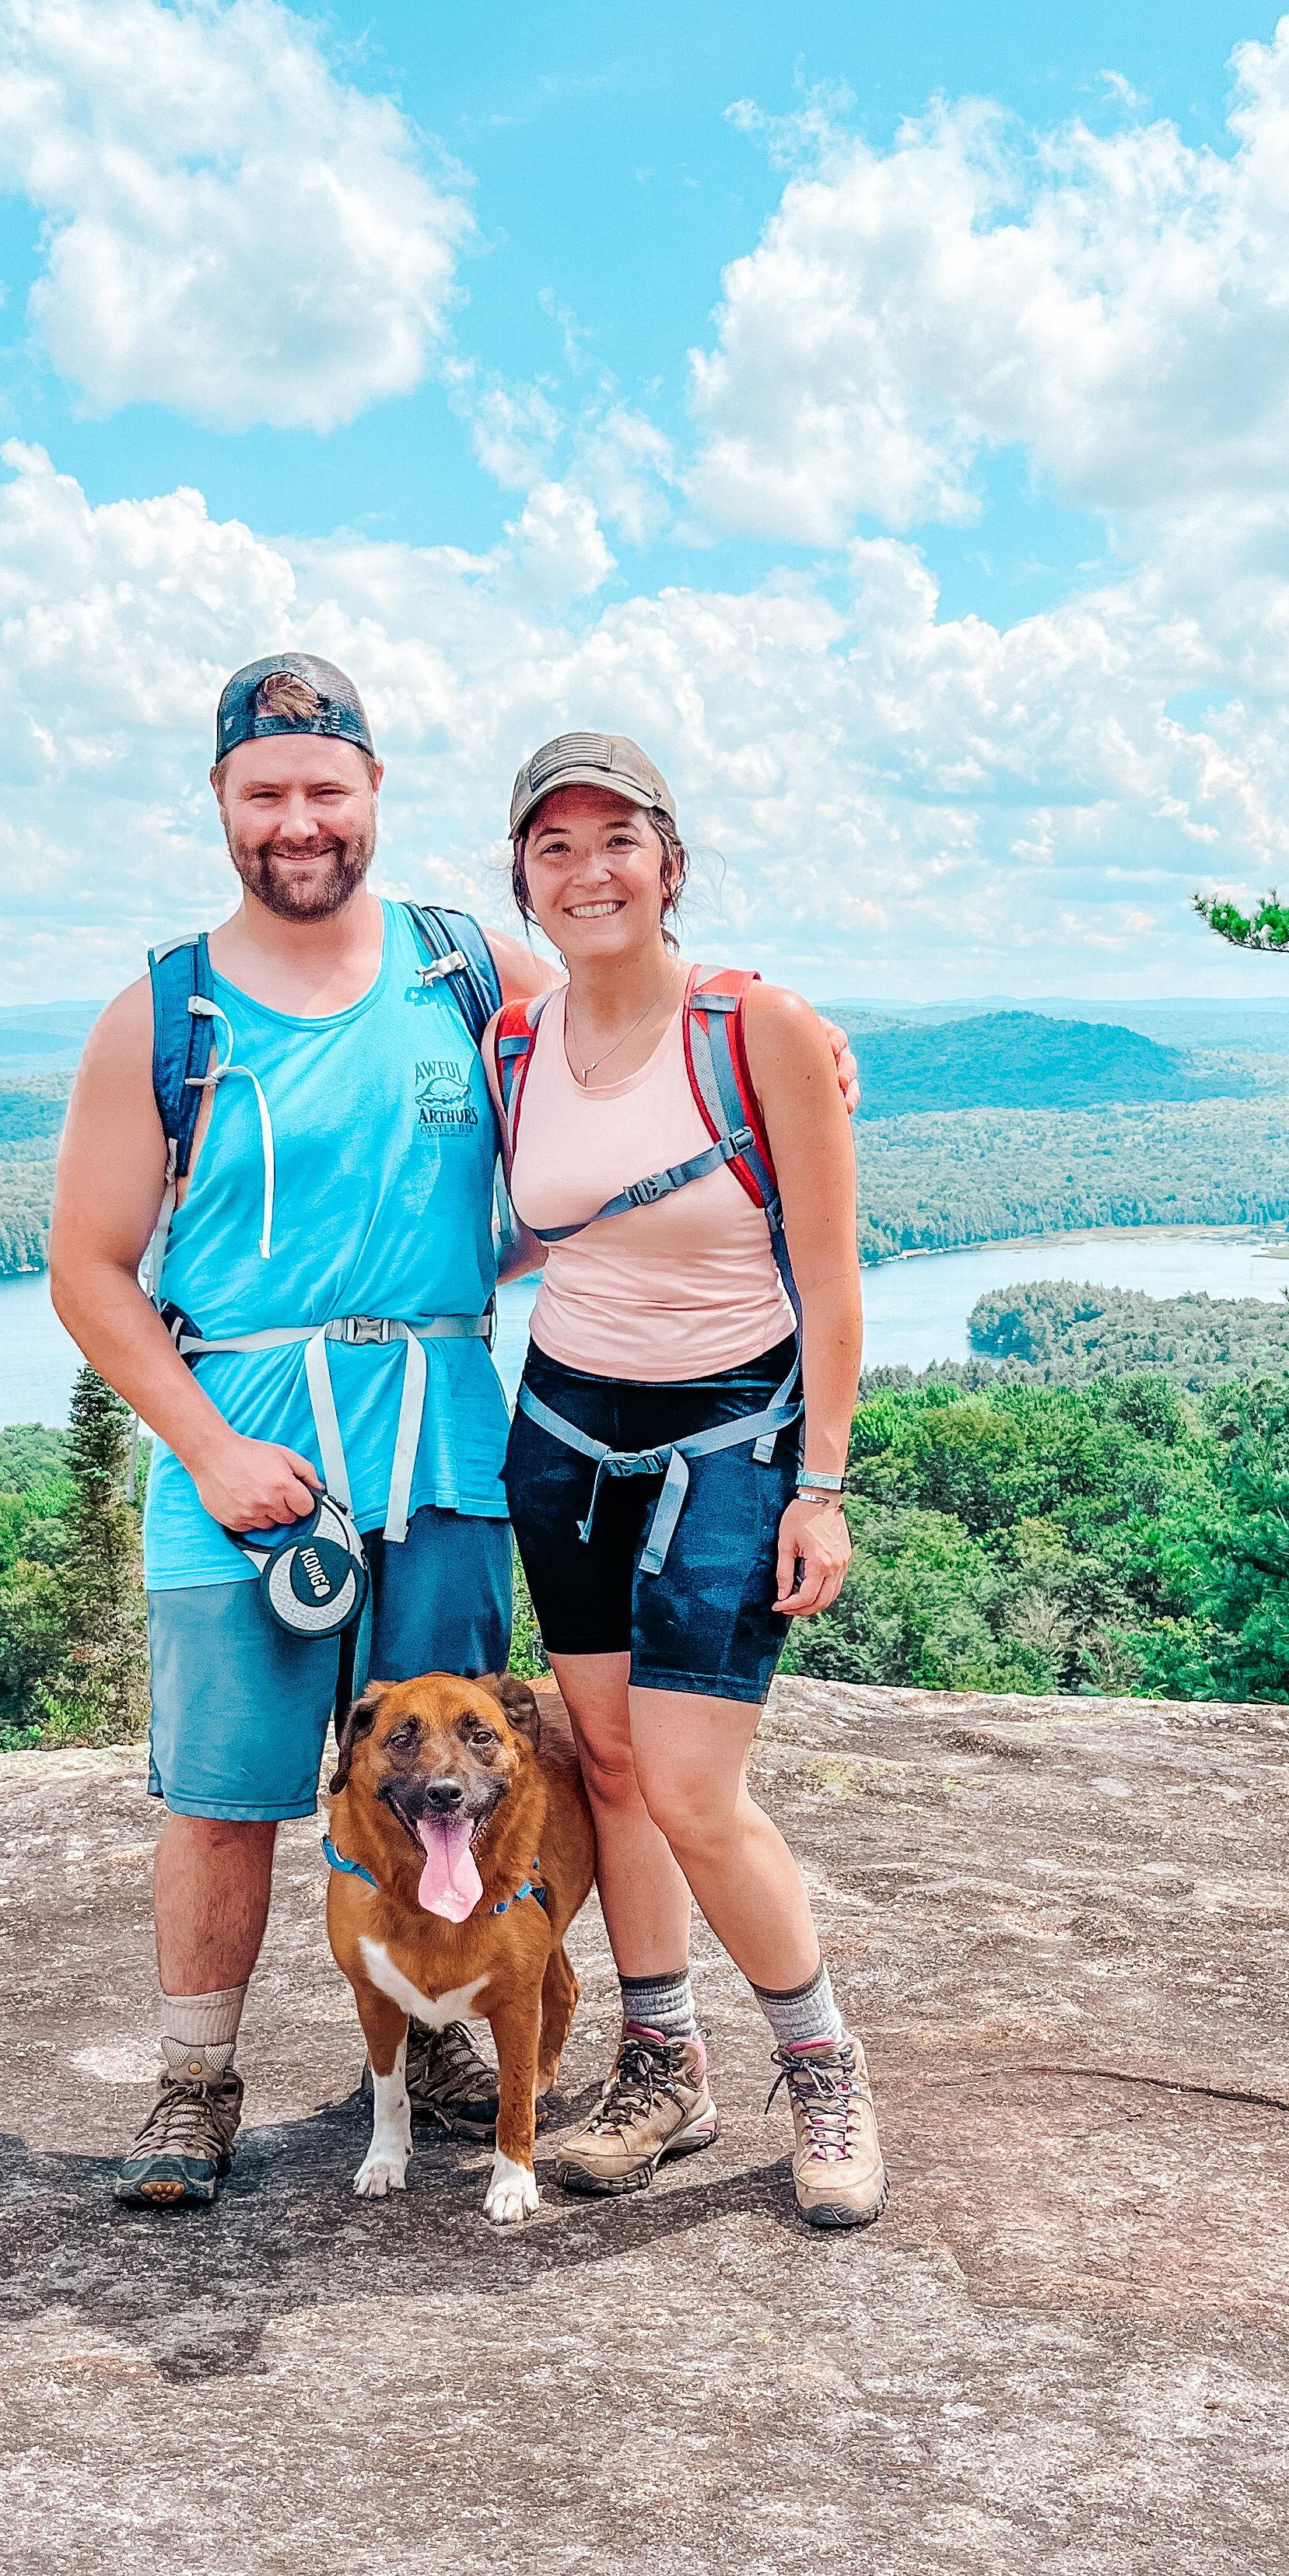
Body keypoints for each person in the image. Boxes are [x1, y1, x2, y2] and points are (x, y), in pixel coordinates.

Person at [47, 660, 861, 2212]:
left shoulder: (465, 968)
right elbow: (88, 1269)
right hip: (245, 1440)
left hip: (443, 1444)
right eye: (266, 793)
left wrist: (803, 1060)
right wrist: (212, 1453)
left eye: (325, 789)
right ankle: (194, 2084)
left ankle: (439, 2046)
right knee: (226, 1798)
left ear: (372, 797)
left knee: (458, 1773)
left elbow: (646, 1031)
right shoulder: (164, 1012)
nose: (298, 821)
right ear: (222, 806)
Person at [485, 730, 884, 2228]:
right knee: (608, 1763)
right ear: (524, 879)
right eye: (555, 847)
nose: (588, 872)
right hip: (568, 1431)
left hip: (732, 1436)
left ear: (671, 865)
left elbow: (835, 1284)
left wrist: (823, 1485)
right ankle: (665, 2063)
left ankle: (821, 2061)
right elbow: (539, 1221)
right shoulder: (517, 1042)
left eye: (616, 842)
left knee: (695, 1788)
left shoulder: (758, 1029)